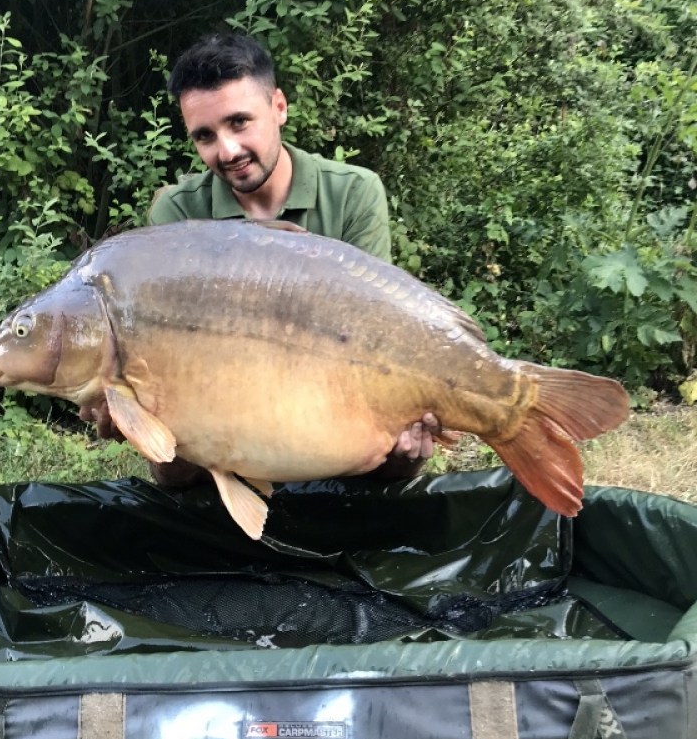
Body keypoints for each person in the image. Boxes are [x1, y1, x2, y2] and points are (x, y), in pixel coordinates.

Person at [80, 32, 443, 484]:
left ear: (279, 107)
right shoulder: (177, 212)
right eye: (205, 136)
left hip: (334, 399)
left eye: (239, 123)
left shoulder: (353, 192)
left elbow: (377, 327)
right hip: (221, 408)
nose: (227, 151)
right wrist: (129, 404)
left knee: (403, 450)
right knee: (173, 470)